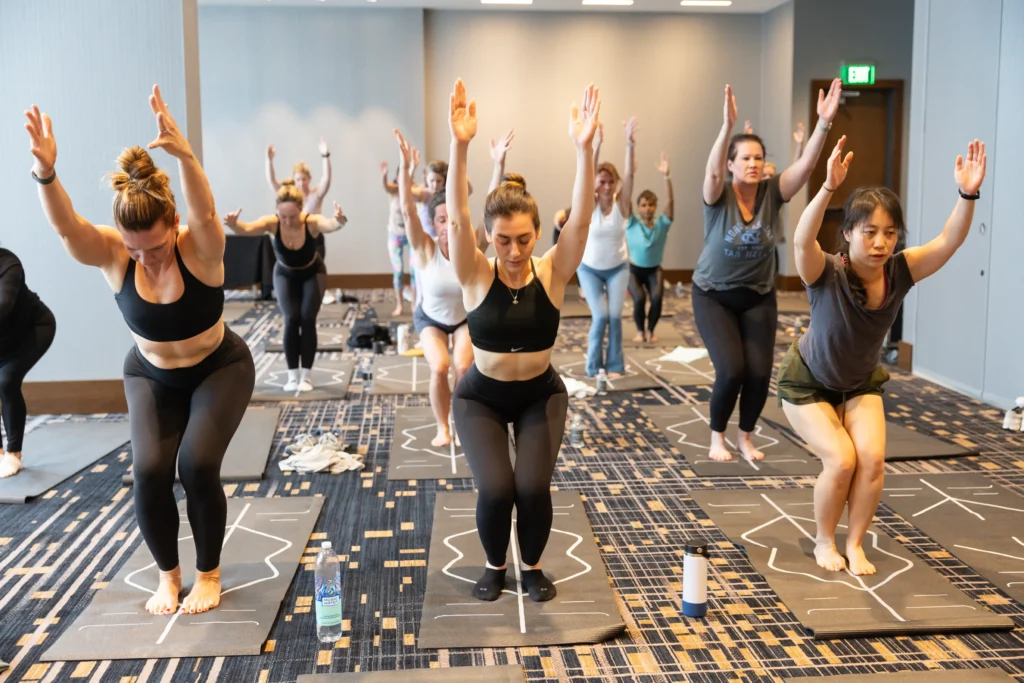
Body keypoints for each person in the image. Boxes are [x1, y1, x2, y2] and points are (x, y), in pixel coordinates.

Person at [25, 86, 256, 616]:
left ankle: (208, 574)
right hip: (150, 374)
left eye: (154, 247)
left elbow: (206, 212)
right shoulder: (115, 253)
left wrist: (186, 157)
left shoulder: (200, 247)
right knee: (149, 471)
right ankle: (168, 577)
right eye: (134, 250)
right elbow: (67, 227)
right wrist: (46, 173)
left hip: (219, 367)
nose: (145, 258)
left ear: (173, 226)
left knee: (197, 464)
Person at [780, 136, 986, 576]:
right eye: (869, 232)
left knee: (872, 461)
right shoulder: (826, 271)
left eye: (889, 233)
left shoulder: (900, 271)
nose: (880, 243)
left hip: (859, 382)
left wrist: (967, 194)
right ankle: (823, 540)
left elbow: (949, 241)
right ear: (848, 234)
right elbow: (800, 240)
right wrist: (828, 187)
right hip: (807, 382)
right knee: (841, 460)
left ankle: (854, 543)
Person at [446, 79, 599, 602]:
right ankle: (495, 565)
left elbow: (581, 219)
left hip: (540, 394)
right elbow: (457, 218)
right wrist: (461, 145)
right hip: (480, 398)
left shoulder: (552, 271)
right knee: (497, 488)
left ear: (537, 233)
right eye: (503, 240)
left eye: (525, 239)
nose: (514, 252)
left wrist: (584, 150)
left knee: (531, 487)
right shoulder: (474, 273)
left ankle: (530, 566)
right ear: (489, 236)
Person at [693, 80, 841, 463]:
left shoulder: (773, 192)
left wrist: (823, 124)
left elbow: (805, 168)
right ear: (731, 164)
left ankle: (744, 437)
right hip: (713, 295)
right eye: (745, 158)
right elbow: (712, 173)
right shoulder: (718, 196)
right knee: (731, 370)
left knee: (759, 373)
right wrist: (727, 126)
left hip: (758, 296)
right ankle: (717, 436)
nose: (753, 164)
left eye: (758, 158)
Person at [389, 131, 473, 447]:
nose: (447, 226)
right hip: (431, 319)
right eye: (440, 220)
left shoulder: (470, 245)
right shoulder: (426, 248)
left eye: (451, 219)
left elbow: (486, 210)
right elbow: (407, 210)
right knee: (439, 367)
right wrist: (405, 168)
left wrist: (498, 165)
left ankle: (462, 423)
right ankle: (442, 427)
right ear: (434, 223)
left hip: (464, 319)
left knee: (463, 366)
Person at [223, 184, 348, 391]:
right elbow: (247, 230)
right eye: (283, 216)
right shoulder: (272, 223)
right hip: (285, 274)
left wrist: (339, 220)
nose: (288, 221)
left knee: (307, 318)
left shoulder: (311, 222)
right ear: (277, 211)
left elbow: (330, 225)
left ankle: (306, 376)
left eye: (293, 217)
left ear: (301, 209)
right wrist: (234, 224)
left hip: (312, 273)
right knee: (291, 318)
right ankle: (292, 376)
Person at [578, 118, 637, 377]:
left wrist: (629, 144)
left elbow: (630, 175)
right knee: (600, 316)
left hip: (617, 268)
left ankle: (614, 365)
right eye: (602, 182)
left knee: (614, 317)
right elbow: (587, 172)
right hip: (589, 268)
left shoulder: (621, 204)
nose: (606, 186)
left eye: (610, 182)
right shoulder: (589, 204)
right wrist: (597, 143)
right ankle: (593, 366)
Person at [0, 249, 56, 479]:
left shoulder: (8, 263)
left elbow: (4, 305)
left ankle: (14, 454)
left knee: (6, 381)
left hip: (34, 329)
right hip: (2, 339)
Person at [625, 151, 674, 343]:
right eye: (644, 205)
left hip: (654, 270)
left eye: (651, 205)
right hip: (634, 270)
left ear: (656, 206)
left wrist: (666, 177)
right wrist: (630, 174)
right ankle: (640, 331)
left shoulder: (663, 223)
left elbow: (670, 202)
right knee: (639, 299)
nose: (648, 208)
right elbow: (626, 198)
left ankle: (651, 331)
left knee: (657, 298)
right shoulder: (631, 223)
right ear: (638, 207)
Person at [265, 138, 332, 262]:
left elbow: (326, 179)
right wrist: (269, 161)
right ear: (294, 180)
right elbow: (272, 182)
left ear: (309, 179)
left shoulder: (316, 195)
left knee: (314, 271)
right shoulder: (289, 195)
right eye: (298, 180)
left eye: (304, 179)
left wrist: (325, 156)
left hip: (314, 239)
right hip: (294, 238)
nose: (301, 183)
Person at [381, 158, 416, 316]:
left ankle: (414, 304)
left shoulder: (414, 191)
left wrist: (413, 167)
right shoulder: (394, 191)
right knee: (398, 270)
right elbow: (386, 187)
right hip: (395, 235)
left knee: (415, 270)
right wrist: (384, 176)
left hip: (411, 235)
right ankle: (400, 305)